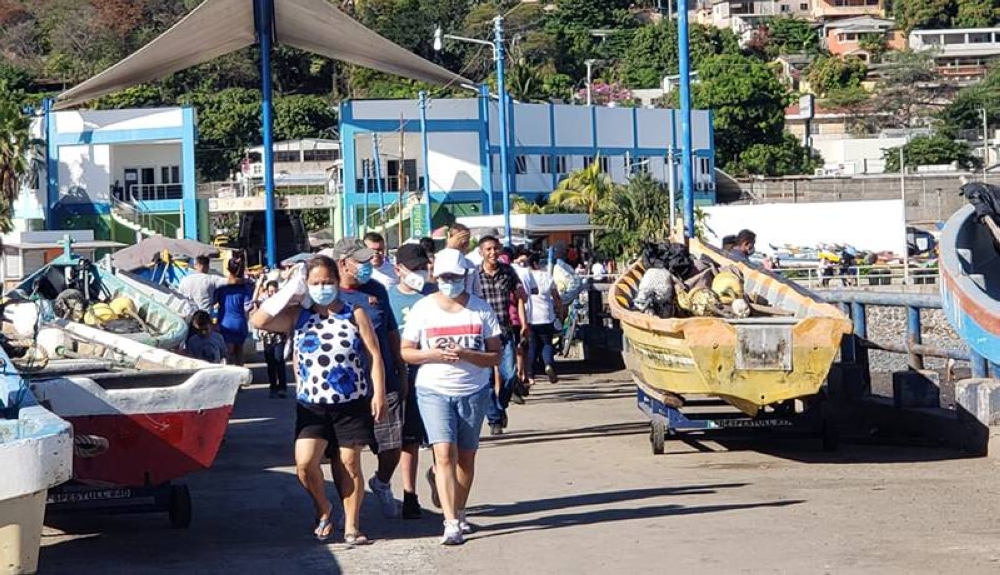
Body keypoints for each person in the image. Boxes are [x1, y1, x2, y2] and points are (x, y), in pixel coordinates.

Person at [251, 256, 386, 546]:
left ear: (338, 282)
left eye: (327, 282)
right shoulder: (298, 315)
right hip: (312, 405)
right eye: (315, 283)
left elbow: (374, 355)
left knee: (350, 463)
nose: (322, 287)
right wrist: (290, 289)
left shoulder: (355, 312)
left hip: (351, 402)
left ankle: (352, 525)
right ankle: (324, 508)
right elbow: (258, 319)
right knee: (304, 463)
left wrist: (379, 393)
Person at [400, 248, 501, 545]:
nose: (449, 281)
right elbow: (406, 351)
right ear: (434, 275)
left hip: (473, 390)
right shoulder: (423, 309)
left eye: (455, 276)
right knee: (444, 453)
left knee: (465, 459)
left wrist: (468, 354)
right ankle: (451, 522)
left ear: (465, 276)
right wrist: (432, 354)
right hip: (433, 390)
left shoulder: (480, 309)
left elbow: (495, 355)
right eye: (444, 276)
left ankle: (459, 507)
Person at [327, 237, 404, 519]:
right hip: (346, 388)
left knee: (391, 446)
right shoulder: (327, 295)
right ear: (342, 263)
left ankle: (381, 482)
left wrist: (401, 368)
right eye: (360, 261)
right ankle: (347, 505)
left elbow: (391, 332)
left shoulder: (377, 290)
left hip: (384, 382)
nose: (368, 264)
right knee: (346, 454)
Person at [386, 244, 435, 519]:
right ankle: (409, 493)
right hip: (404, 375)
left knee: (442, 437)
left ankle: (439, 474)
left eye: (423, 268)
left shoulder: (434, 295)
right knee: (410, 439)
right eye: (414, 269)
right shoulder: (388, 297)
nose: (420, 273)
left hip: (434, 372)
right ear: (399, 270)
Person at [476, 236, 527, 435]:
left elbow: (521, 296)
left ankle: (501, 406)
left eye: (495, 248)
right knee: (487, 379)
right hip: (481, 334)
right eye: (488, 249)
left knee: (509, 374)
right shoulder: (474, 275)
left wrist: (524, 323)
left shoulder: (508, 272)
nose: (492, 252)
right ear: (481, 252)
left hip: (504, 331)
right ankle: (495, 419)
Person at [527, 253, 562, 386]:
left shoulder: (526, 277)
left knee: (532, 346)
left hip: (530, 316)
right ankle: (548, 364)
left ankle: (530, 375)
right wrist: (560, 311)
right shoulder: (547, 276)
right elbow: (556, 297)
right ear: (536, 264)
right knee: (547, 343)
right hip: (546, 315)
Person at [214, 256, 254, 366]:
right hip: (240, 323)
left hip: (225, 323)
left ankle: (229, 379)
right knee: (239, 353)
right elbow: (248, 306)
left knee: (228, 354)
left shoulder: (221, 286)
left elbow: (214, 302)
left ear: (228, 269)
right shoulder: (246, 287)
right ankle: (242, 380)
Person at [256, 280, 289, 398]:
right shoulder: (265, 304)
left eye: (275, 291)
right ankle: (273, 387)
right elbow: (254, 302)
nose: (273, 293)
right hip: (267, 337)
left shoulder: (282, 304)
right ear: (267, 292)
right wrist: (258, 285)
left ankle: (283, 387)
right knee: (270, 363)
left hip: (279, 336)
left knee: (279, 360)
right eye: (271, 291)